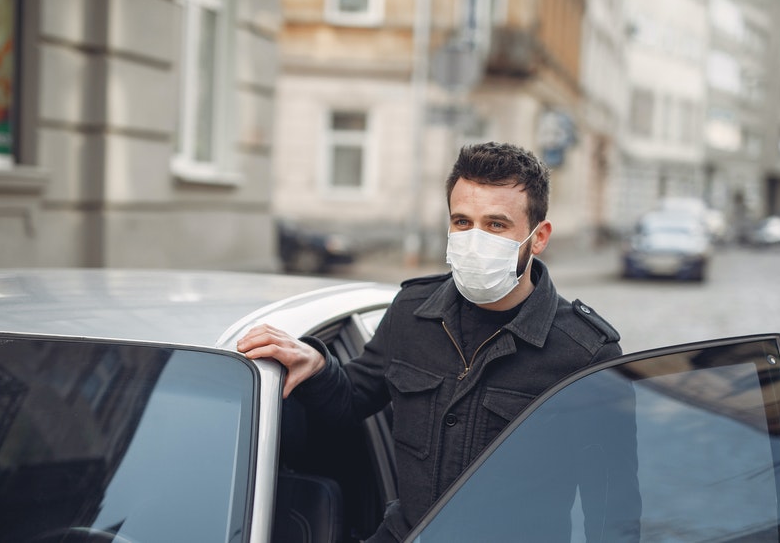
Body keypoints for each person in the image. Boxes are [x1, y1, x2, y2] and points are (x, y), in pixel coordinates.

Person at [238, 141, 631, 541]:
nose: (475, 240)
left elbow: (613, 508)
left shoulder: (586, 354)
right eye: (462, 222)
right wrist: (319, 367)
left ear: (539, 236)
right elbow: (354, 399)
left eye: (496, 225)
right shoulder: (412, 310)